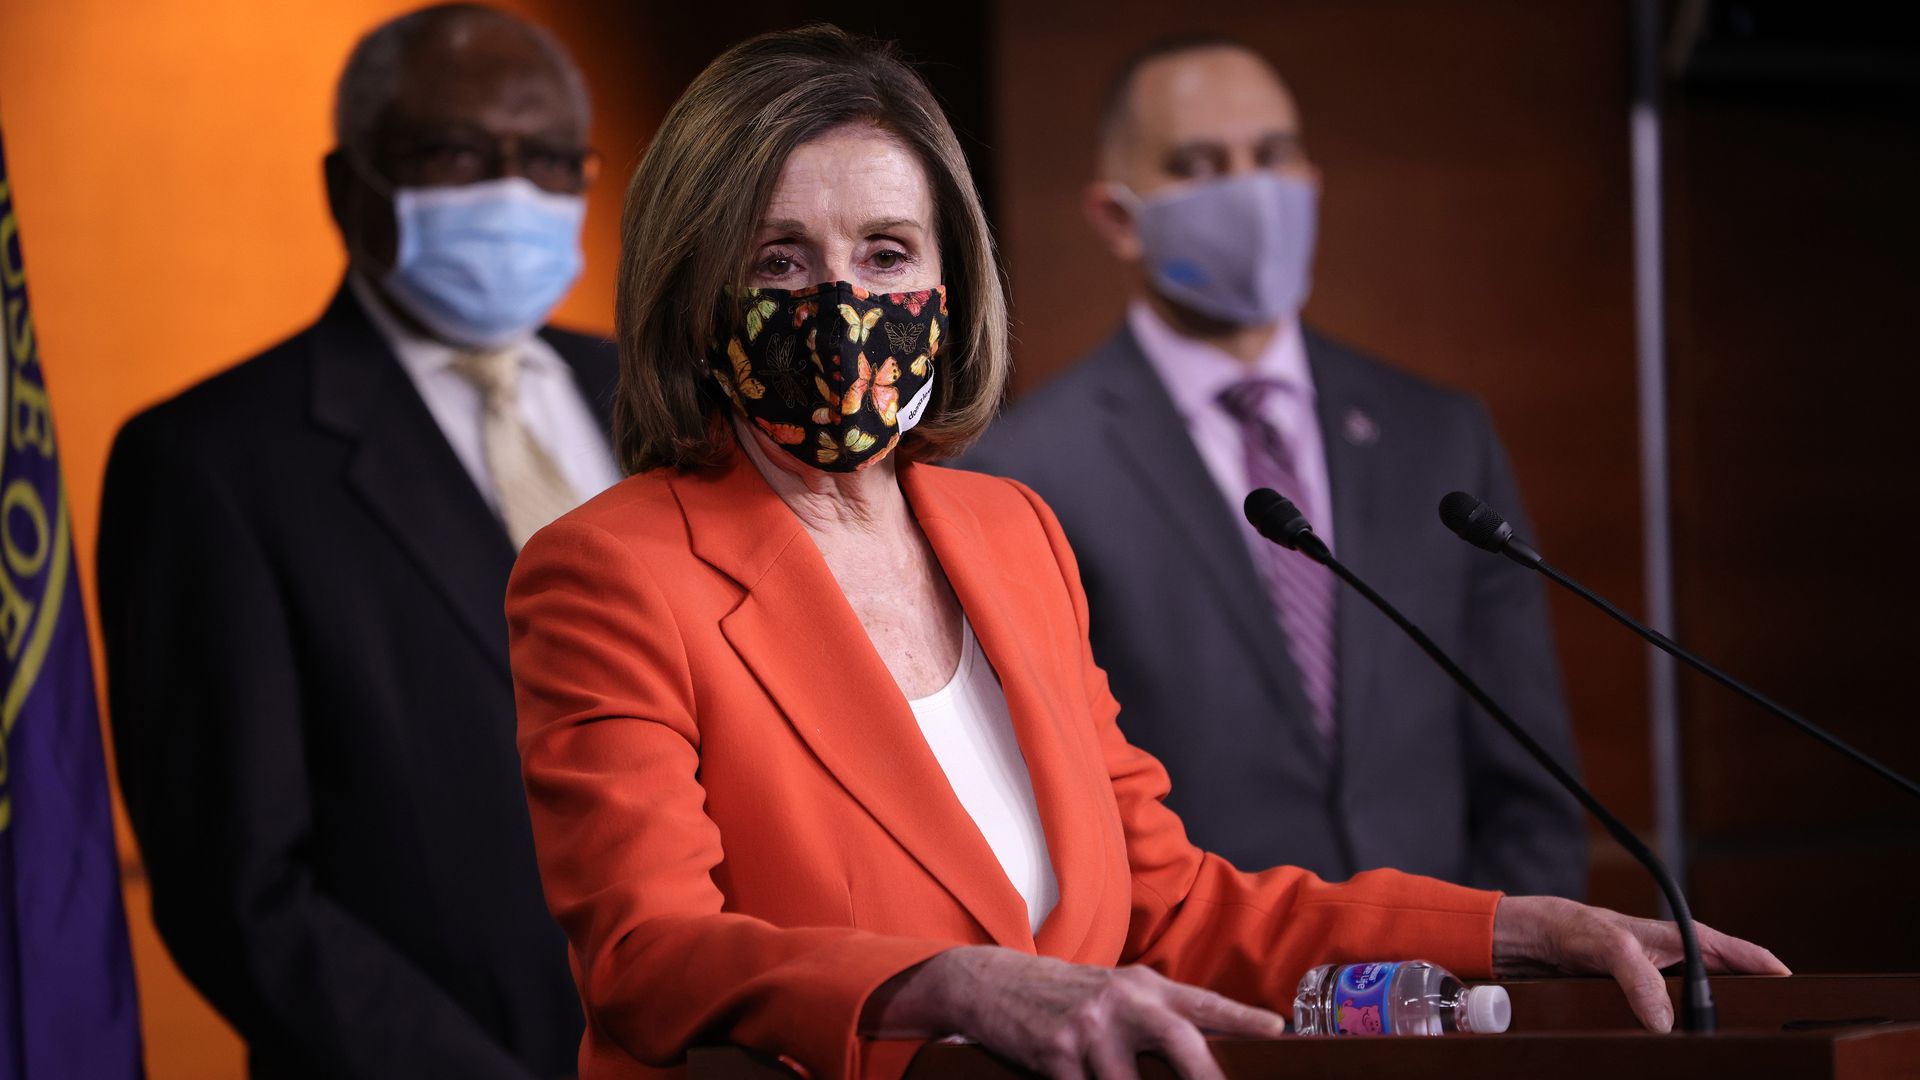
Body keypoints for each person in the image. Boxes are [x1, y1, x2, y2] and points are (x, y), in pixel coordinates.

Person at [505, 26, 1784, 1080]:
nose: (841, 301)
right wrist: (954, 986)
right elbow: (648, 952)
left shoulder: (1010, 533)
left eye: (888, 253)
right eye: (780, 258)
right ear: (692, 285)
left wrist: (1508, 931)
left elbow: (1166, 908)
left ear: (952, 287)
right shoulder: (611, 571)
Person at [97, 5, 618, 1076]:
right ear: (350, 187)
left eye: (552, 161)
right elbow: (241, 892)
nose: (511, 192)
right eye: (458, 152)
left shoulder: (663, 402)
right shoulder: (211, 462)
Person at [961, 38, 1588, 897]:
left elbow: (1531, 785)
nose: (1250, 190)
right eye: (1199, 164)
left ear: (1312, 180)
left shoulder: (1440, 435)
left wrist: (1505, 979)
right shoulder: (1023, 473)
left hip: (1457, 1003)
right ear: (1117, 217)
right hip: (1206, 1005)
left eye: (1272, 154)